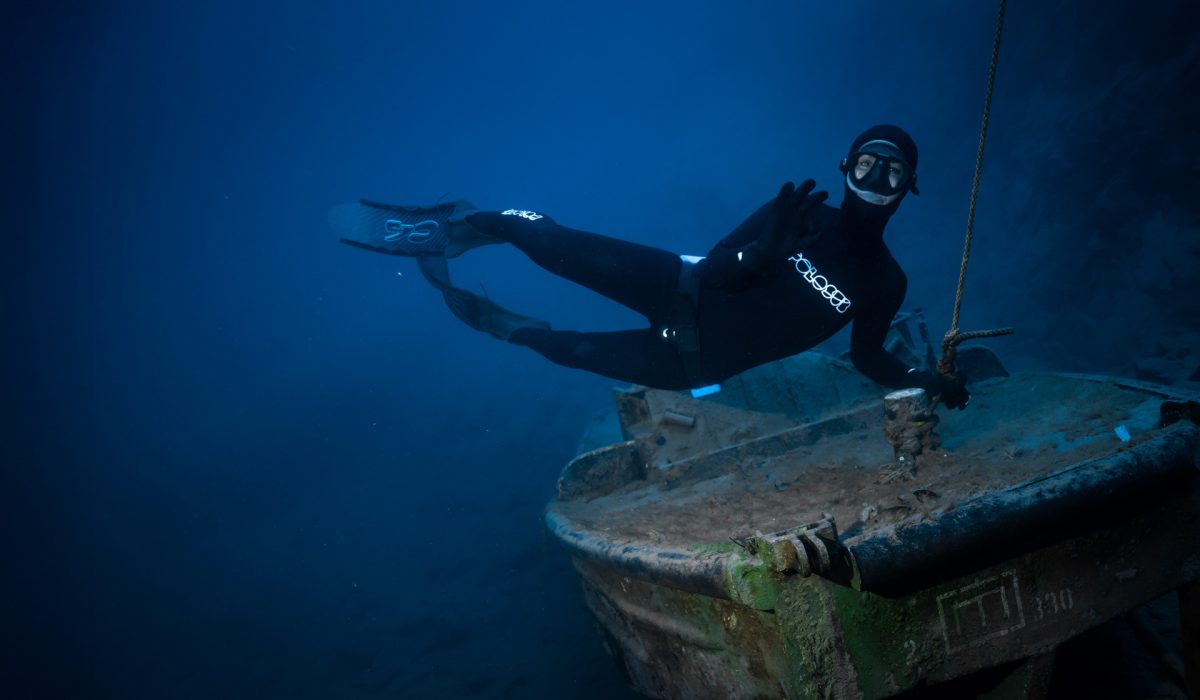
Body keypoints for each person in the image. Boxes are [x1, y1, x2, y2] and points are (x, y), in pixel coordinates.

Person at [331, 124, 969, 409]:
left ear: (909, 185)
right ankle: (455, 229)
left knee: (562, 349)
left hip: (693, 363)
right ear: (845, 168)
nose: (877, 178)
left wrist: (924, 379)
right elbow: (718, 267)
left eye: (892, 170)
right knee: (547, 237)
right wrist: (761, 252)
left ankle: (500, 321)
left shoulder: (887, 282)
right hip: (675, 283)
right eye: (867, 163)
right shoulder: (799, 216)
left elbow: (867, 358)